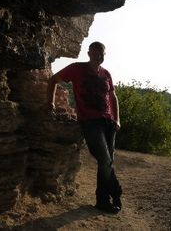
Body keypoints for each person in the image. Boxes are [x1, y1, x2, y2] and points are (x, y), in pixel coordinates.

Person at [47, 41, 123, 214]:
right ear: (89, 53)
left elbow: (113, 96)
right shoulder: (76, 68)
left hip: (108, 122)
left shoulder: (106, 74)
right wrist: (50, 103)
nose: (98, 56)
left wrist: (117, 119)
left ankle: (102, 200)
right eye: (95, 52)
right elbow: (53, 80)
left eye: (101, 53)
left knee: (107, 162)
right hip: (90, 122)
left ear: (105, 54)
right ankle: (116, 192)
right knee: (105, 160)